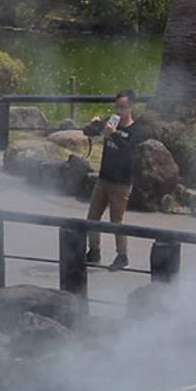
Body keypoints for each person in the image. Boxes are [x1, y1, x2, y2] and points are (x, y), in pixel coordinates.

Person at [85, 89, 145, 269]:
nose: (119, 110)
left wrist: (114, 135)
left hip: (121, 182)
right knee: (92, 218)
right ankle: (94, 251)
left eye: (123, 107)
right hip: (104, 178)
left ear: (131, 107)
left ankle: (122, 255)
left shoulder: (136, 129)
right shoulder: (111, 122)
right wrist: (94, 125)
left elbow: (129, 152)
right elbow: (87, 131)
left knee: (116, 221)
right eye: (117, 106)